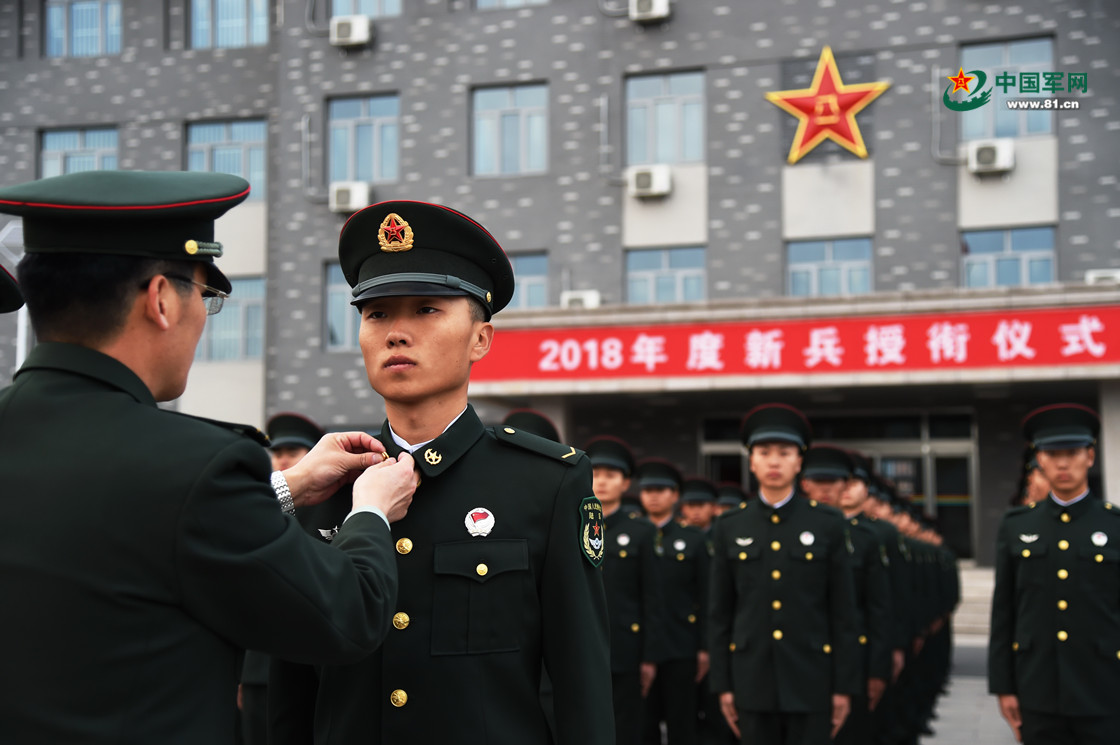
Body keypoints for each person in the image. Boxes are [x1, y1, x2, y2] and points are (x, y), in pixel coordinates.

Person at [0, 170, 415, 744]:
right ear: (161, 300)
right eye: (206, 296)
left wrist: (287, 487)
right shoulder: (195, 465)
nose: (202, 318)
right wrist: (369, 512)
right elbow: (348, 615)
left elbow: (131, 534)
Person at [270, 200, 613, 745]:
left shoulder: (546, 484)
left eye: (426, 309)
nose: (396, 333)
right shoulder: (321, 487)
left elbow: (582, 680)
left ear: (481, 339)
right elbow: (289, 686)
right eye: (376, 314)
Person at [709, 403, 860, 745]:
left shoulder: (826, 523)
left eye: (784, 453)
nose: (774, 462)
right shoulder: (731, 525)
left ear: (799, 462)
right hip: (751, 677)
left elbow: (843, 612)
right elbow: (719, 613)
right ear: (751, 461)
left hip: (812, 676)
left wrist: (843, 687)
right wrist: (723, 684)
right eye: (764, 453)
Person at [989, 403, 1118, 745]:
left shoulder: (1114, 525)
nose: (1063, 464)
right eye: (1052, 454)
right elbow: (1004, 612)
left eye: (1072, 453)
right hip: (1038, 689)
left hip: (1105, 688)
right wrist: (1003, 686)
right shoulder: (1017, 526)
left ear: (1090, 457)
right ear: (1040, 460)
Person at [239, 412, 328, 745]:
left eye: (294, 451)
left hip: (313, 661)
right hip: (259, 668)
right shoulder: (256, 508)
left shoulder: (326, 509)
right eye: (278, 452)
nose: (284, 459)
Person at [800, 446, 891, 745]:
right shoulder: (784, 532)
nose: (826, 489)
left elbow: (878, 608)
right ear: (804, 483)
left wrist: (878, 668)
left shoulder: (866, 538)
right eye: (818, 481)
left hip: (850, 656)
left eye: (835, 481)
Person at [587, 435, 667, 745]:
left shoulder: (642, 531)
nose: (602, 481)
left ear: (625, 483)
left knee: (626, 727)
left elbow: (653, 597)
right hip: (581, 645)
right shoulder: (570, 524)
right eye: (595, 473)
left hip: (626, 648)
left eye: (611, 475)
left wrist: (650, 656)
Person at [637, 458, 710, 745]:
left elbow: (706, 595)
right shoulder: (633, 535)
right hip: (639, 646)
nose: (653, 496)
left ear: (675, 495)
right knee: (643, 725)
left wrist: (704, 646)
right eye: (648, 490)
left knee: (681, 723)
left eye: (661, 490)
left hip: (681, 644)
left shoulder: (693, 539)